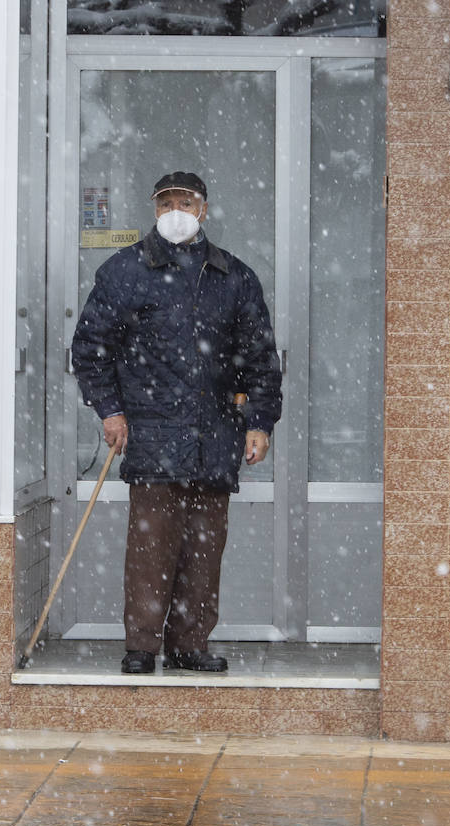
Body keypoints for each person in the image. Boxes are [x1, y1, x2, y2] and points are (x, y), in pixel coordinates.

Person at [71, 170, 283, 674]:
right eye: (165, 203)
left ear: (204, 210)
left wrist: (260, 421)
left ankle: (190, 645)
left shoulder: (234, 277)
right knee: (151, 549)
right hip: (151, 435)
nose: (175, 212)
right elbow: (90, 350)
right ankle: (142, 646)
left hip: (216, 437)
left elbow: (260, 359)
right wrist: (111, 410)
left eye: (184, 202)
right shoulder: (125, 271)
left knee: (203, 551)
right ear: (154, 210)